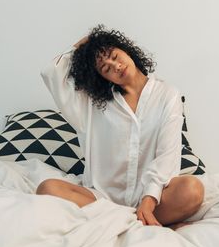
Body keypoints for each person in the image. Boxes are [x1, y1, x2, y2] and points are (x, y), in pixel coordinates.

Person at [37, 24, 204, 229]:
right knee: (47, 188)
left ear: (125, 49)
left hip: (152, 198)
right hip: (99, 199)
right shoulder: (90, 106)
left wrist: (149, 199)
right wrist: (86, 44)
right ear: (102, 77)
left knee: (192, 190)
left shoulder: (168, 95)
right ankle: (135, 220)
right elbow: (51, 74)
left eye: (114, 56)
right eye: (105, 68)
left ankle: (135, 216)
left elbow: (167, 155)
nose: (115, 66)